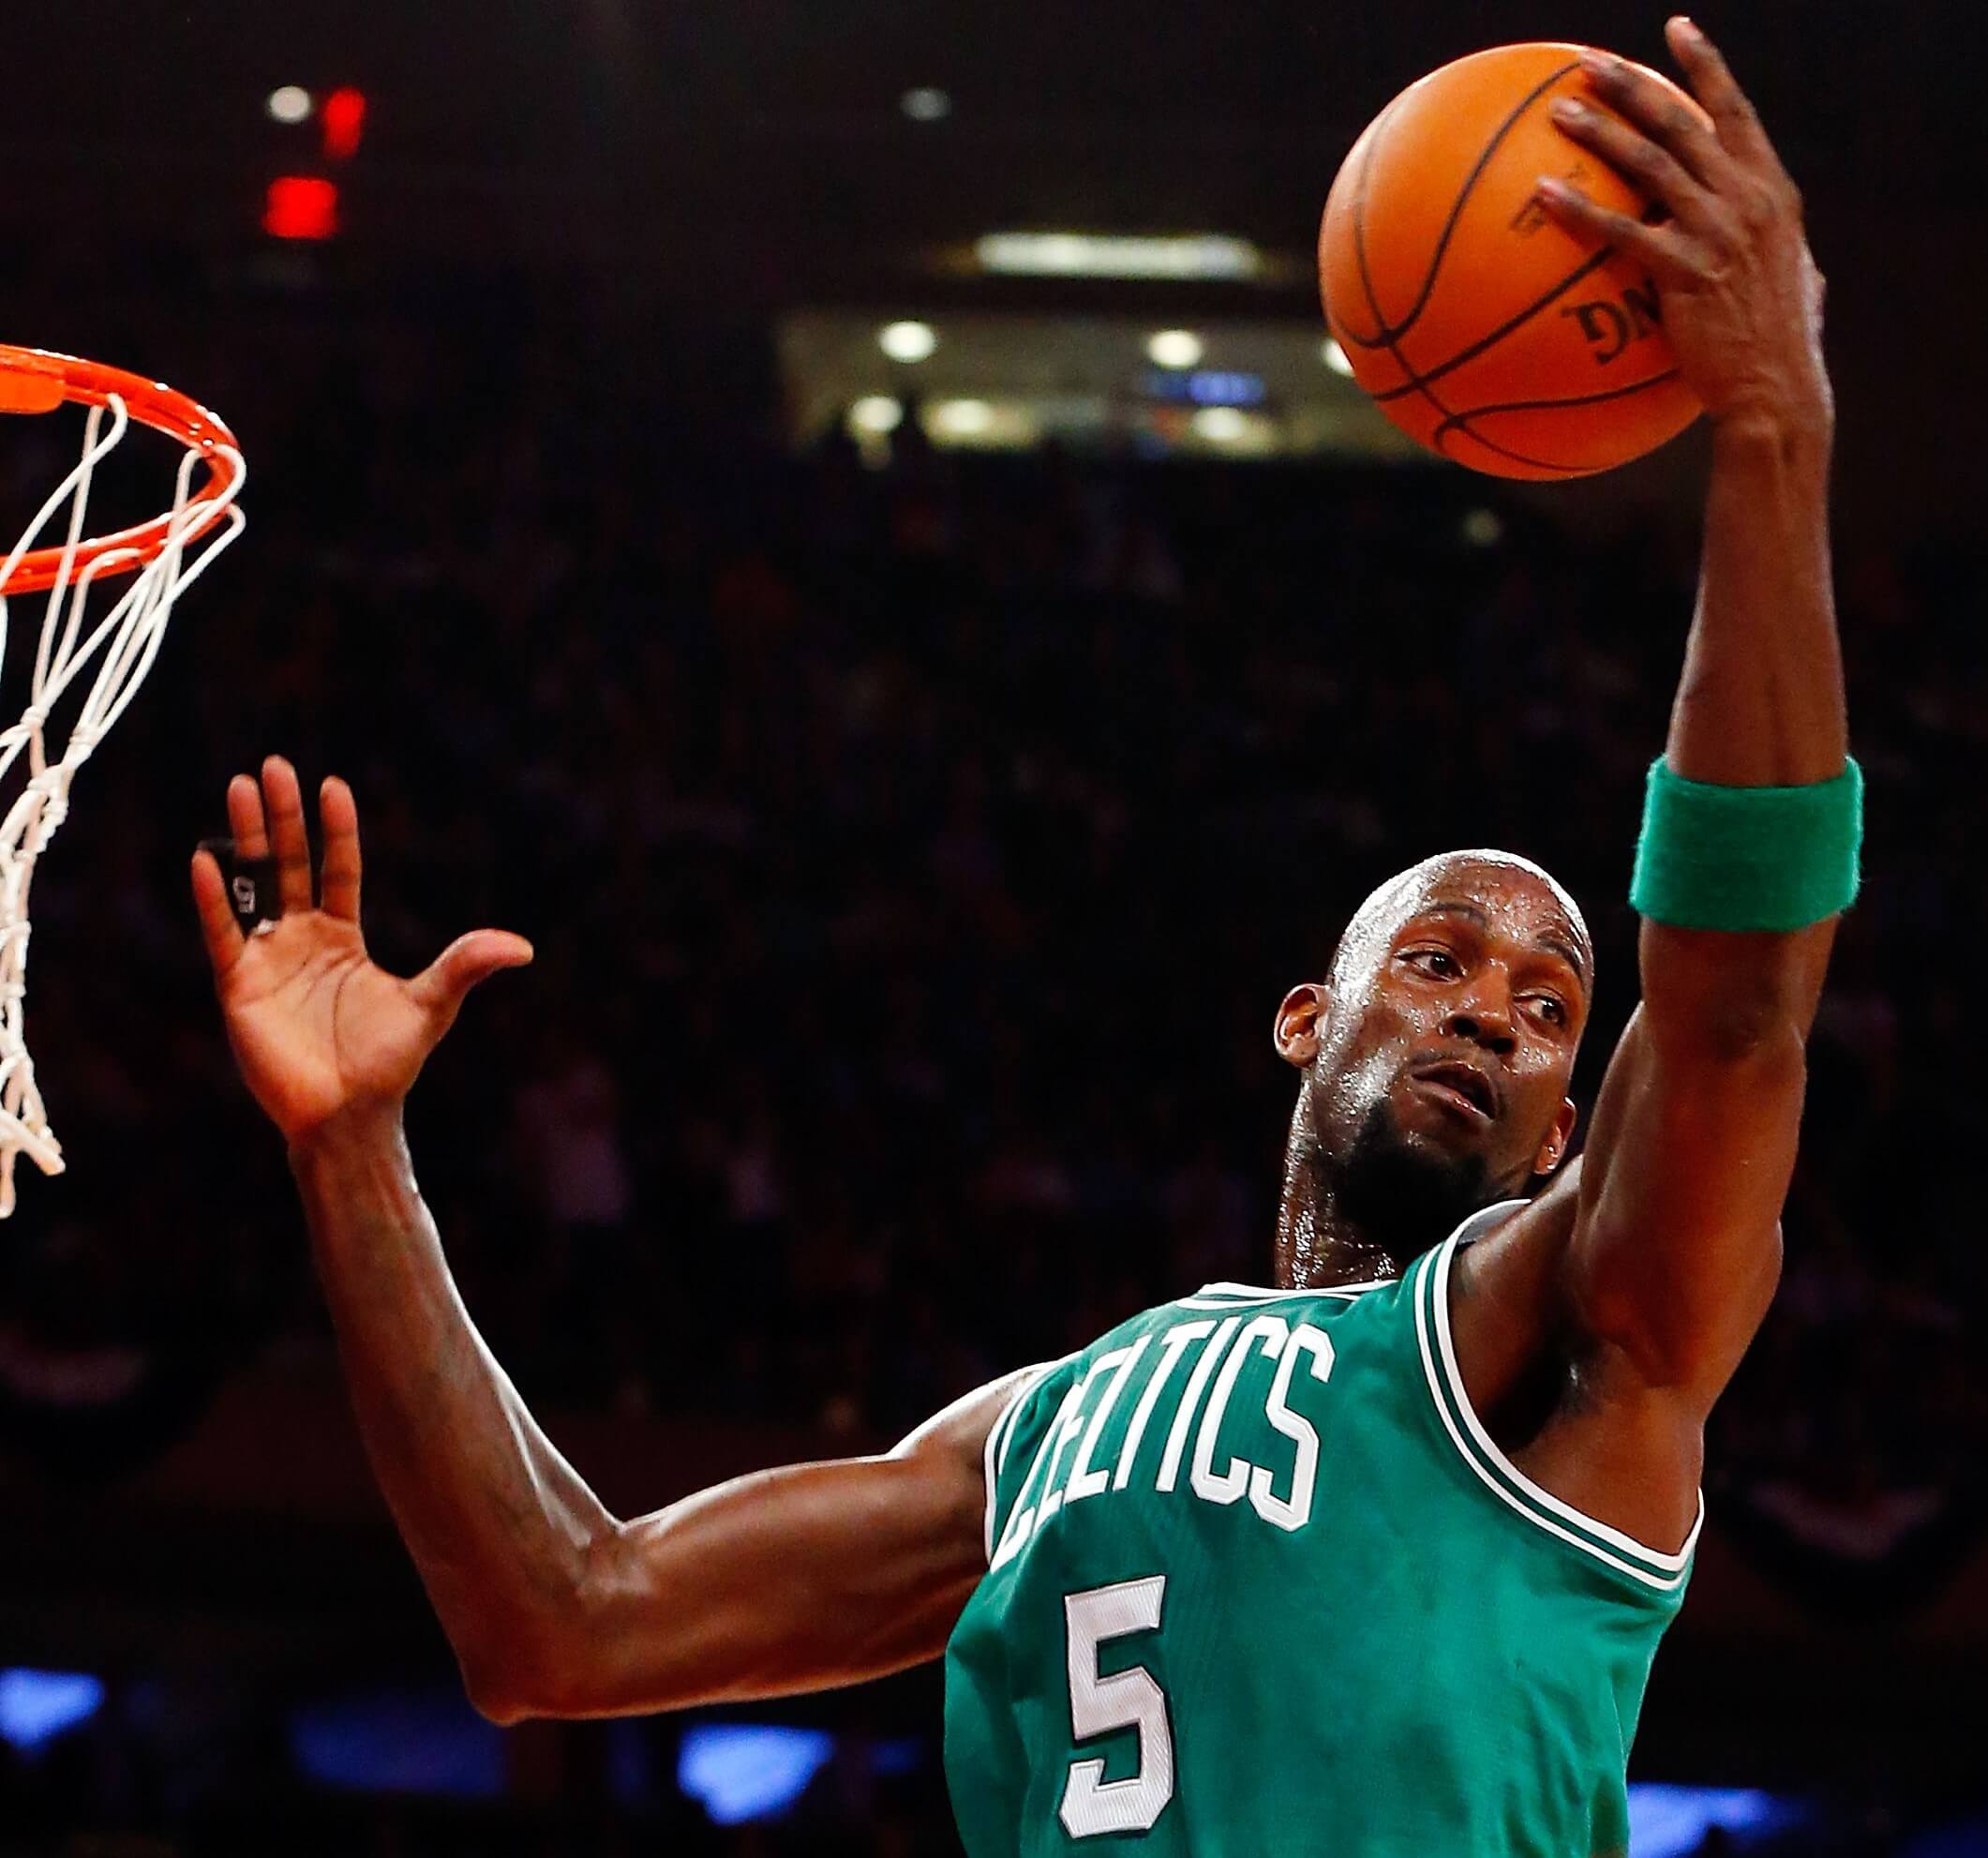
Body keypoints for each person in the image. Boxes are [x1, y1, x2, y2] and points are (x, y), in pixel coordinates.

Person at [189, 21, 1851, 1854]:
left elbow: (1730, 1020)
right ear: (1305, 1021)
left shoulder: (1563, 1345)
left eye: (1546, 1009)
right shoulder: (1048, 1424)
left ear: (1564, 1135)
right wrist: (352, 1159)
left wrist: (1769, 426)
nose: (1486, 1014)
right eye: (1437, 961)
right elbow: (560, 1623)